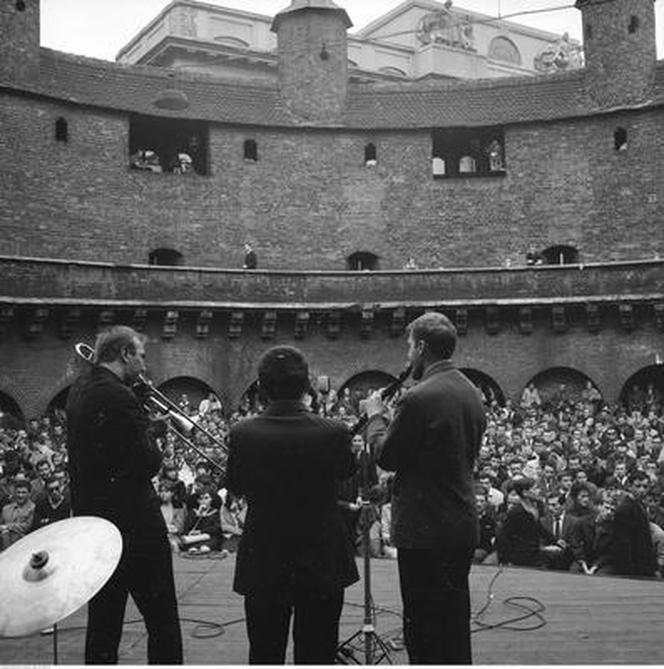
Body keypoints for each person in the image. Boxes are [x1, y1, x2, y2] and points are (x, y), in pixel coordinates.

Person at [364, 312, 486, 664]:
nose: (407, 357)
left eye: (408, 347)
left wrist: (375, 416)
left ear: (420, 347)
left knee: (422, 629)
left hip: (425, 531)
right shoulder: (471, 392)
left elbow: (386, 455)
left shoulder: (418, 397)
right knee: (453, 624)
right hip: (459, 524)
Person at [226, 345, 359, 664]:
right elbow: (347, 472)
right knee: (317, 652)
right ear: (306, 387)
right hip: (321, 560)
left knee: (264, 652)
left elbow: (236, 487)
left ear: (261, 387)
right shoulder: (334, 432)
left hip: (265, 560)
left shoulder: (243, 433)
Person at [66, 325, 183, 664]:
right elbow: (147, 463)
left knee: (104, 620)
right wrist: (153, 433)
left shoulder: (80, 387)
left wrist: (142, 422)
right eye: (141, 356)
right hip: (136, 528)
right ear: (125, 354)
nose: (144, 366)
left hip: (97, 525)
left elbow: (109, 449)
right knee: (162, 619)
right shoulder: (118, 396)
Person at [0, 475, 35, 550]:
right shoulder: (6, 509)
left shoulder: (33, 508)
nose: (20, 495)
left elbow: (27, 527)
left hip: (24, 545)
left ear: (29, 494)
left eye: (23, 492)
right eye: (18, 492)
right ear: (14, 493)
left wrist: (8, 527)